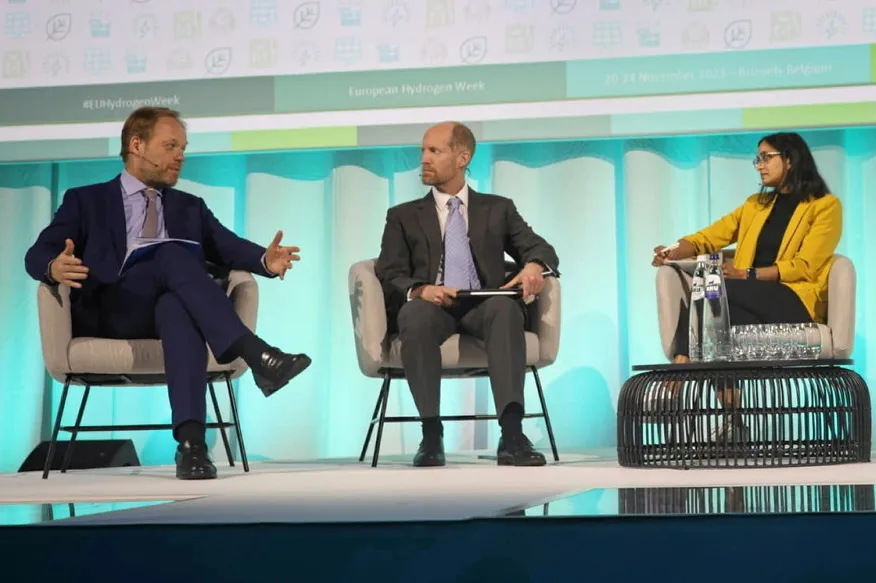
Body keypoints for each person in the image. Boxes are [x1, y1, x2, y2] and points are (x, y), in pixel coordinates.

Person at [24, 107, 312, 480]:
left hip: (164, 310)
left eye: (183, 148)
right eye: (171, 145)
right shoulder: (86, 200)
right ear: (137, 145)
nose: (180, 156)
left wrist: (264, 260)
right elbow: (37, 253)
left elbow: (227, 246)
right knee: (172, 253)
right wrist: (53, 267)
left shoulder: (190, 207)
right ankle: (256, 353)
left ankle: (192, 448)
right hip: (112, 308)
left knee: (178, 308)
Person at [375, 121, 560, 467]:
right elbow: (389, 273)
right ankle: (431, 435)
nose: (424, 159)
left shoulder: (498, 208)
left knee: (506, 310)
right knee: (413, 316)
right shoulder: (402, 216)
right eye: (422, 151)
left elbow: (540, 248)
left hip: (483, 303)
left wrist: (534, 266)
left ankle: (512, 435)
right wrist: (422, 289)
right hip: (432, 306)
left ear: (463, 158)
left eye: (434, 151)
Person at [651, 132, 842, 437]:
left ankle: (678, 374)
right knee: (716, 326)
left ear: (789, 159)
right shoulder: (755, 205)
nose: (759, 165)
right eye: (758, 158)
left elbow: (805, 266)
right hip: (750, 301)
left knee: (713, 286)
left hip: (793, 300)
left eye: (766, 157)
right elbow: (708, 237)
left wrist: (746, 274)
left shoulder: (824, 206)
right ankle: (735, 422)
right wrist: (673, 250)